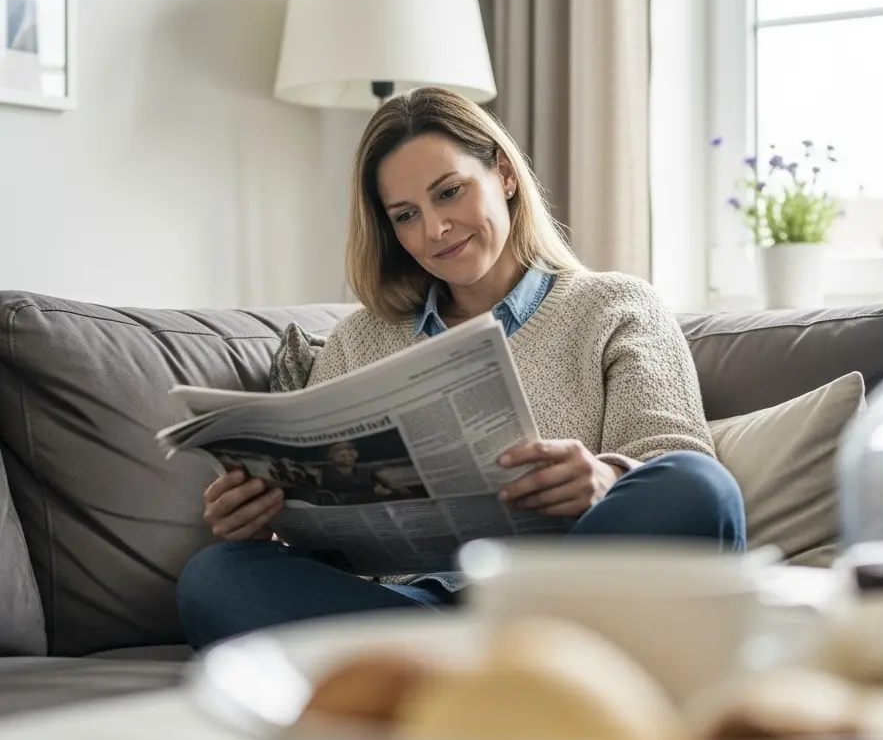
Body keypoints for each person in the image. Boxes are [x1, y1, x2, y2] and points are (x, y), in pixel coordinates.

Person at [177, 87, 746, 649]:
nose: (434, 230)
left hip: (562, 590)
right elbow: (329, 539)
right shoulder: (358, 339)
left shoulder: (616, 306)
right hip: (406, 606)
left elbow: (681, 462)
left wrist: (607, 479)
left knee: (698, 488)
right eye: (406, 215)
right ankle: (489, 665)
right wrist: (261, 522)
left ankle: (468, 668)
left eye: (449, 192)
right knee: (215, 577)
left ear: (503, 173)